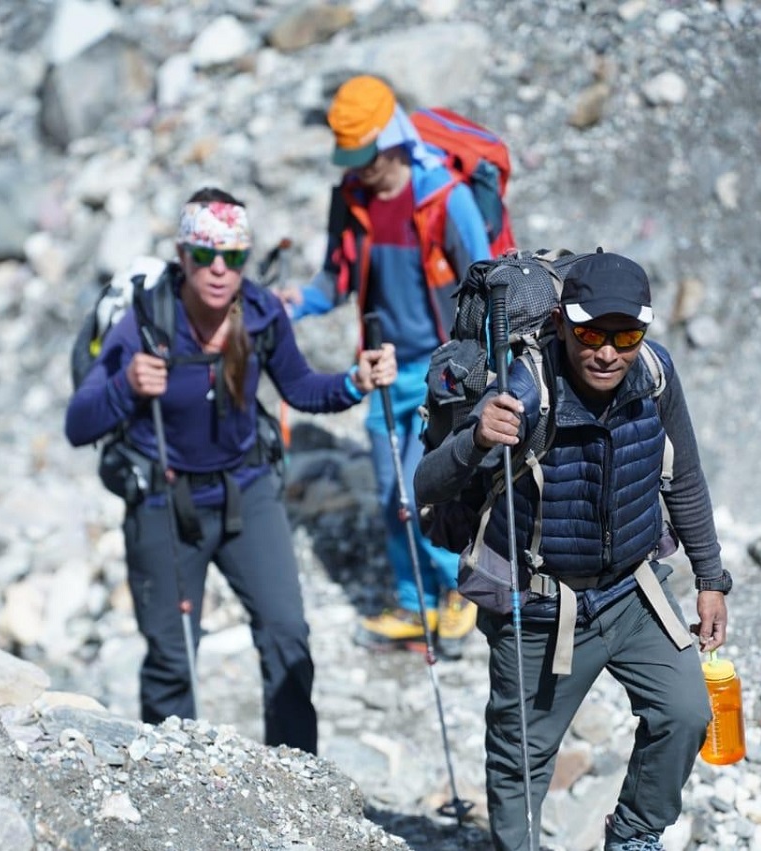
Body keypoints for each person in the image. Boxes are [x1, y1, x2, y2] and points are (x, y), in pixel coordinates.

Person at [414, 252, 730, 851]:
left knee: (685, 712)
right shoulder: (522, 393)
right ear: (561, 322)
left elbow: (684, 476)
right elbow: (426, 485)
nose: (607, 352)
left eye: (625, 335)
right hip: (540, 609)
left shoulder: (656, 376)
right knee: (521, 764)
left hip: (633, 593)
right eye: (589, 333)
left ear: (644, 330)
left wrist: (710, 578)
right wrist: (477, 439)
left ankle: (634, 836)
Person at [65, 187, 397, 755]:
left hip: (247, 491)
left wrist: (353, 382)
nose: (220, 269)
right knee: (173, 658)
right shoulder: (145, 322)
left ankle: (298, 779)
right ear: (182, 254)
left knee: (288, 634)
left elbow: (301, 387)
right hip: (162, 502)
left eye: (234, 256)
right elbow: (78, 424)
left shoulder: (261, 312)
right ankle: (172, 781)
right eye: (205, 254)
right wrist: (126, 386)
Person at [282, 74, 492, 659]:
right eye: (349, 157)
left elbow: (490, 284)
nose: (358, 169)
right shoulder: (351, 197)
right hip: (379, 369)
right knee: (388, 493)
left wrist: (486, 369)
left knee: (423, 492)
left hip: (441, 372)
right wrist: (297, 301)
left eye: (365, 155)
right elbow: (335, 277)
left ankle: (462, 595)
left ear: (394, 137)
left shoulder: (445, 199)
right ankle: (413, 605)